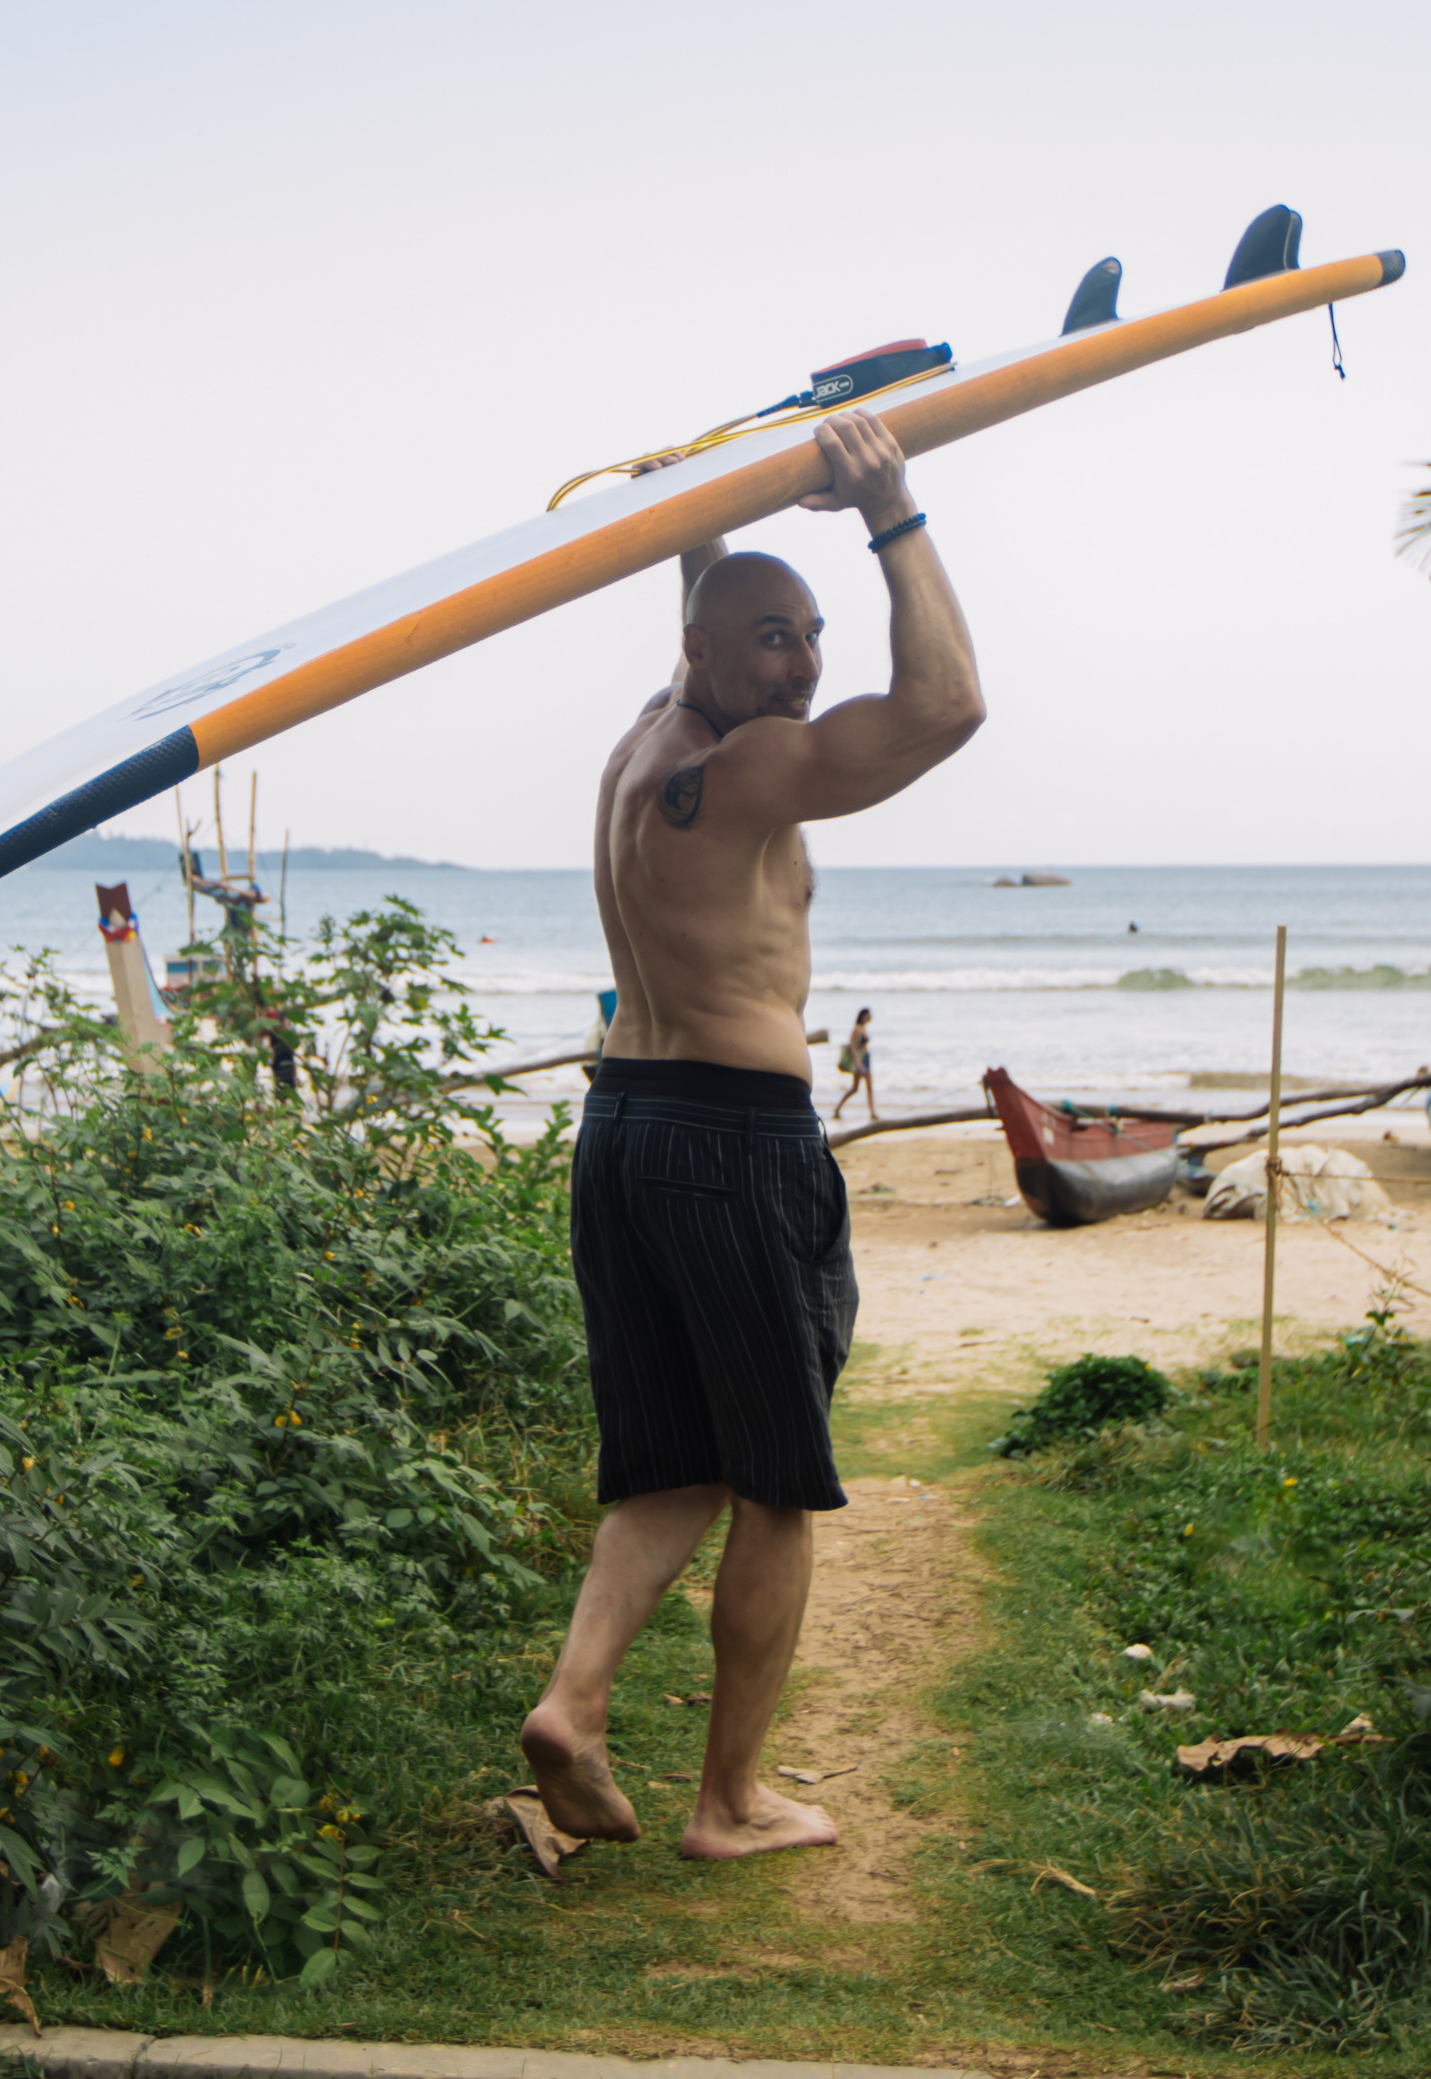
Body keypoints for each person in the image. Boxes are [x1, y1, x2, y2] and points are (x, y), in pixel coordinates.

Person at [520, 408, 983, 1863]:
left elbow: (703, 613)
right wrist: (895, 514)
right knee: (777, 1479)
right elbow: (947, 708)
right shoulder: (756, 770)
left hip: (626, 1131)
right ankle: (730, 1803)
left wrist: (703, 519)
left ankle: (576, 1706)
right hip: (731, 1139)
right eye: (772, 638)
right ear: (716, 658)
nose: (803, 663)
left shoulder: (647, 745)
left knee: (670, 1461)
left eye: (813, 632)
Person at [831, 1007, 875, 1124]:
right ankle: (837, 1108)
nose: (871, 1017)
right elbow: (852, 1046)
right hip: (859, 1060)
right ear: (863, 1016)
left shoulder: (865, 1028)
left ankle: (872, 1113)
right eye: (869, 1015)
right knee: (855, 1088)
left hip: (866, 1058)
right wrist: (857, 1063)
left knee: (869, 1087)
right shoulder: (857, 1029)